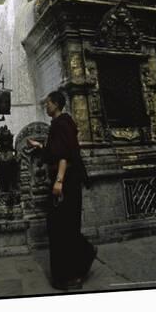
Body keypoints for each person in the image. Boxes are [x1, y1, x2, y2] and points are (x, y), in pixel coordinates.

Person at [27, 91, 97, 291]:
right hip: (66, 179)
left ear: (56, 104)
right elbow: (56, 152)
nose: (46, 106)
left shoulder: (62, 123)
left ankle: (69, 275)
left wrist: (59, 181)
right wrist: (40, 146)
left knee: (61, 228)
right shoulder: (59, 125)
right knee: (62, 226)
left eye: (48, 103)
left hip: (65, 181)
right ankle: (83, 255)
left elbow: (64, 156)